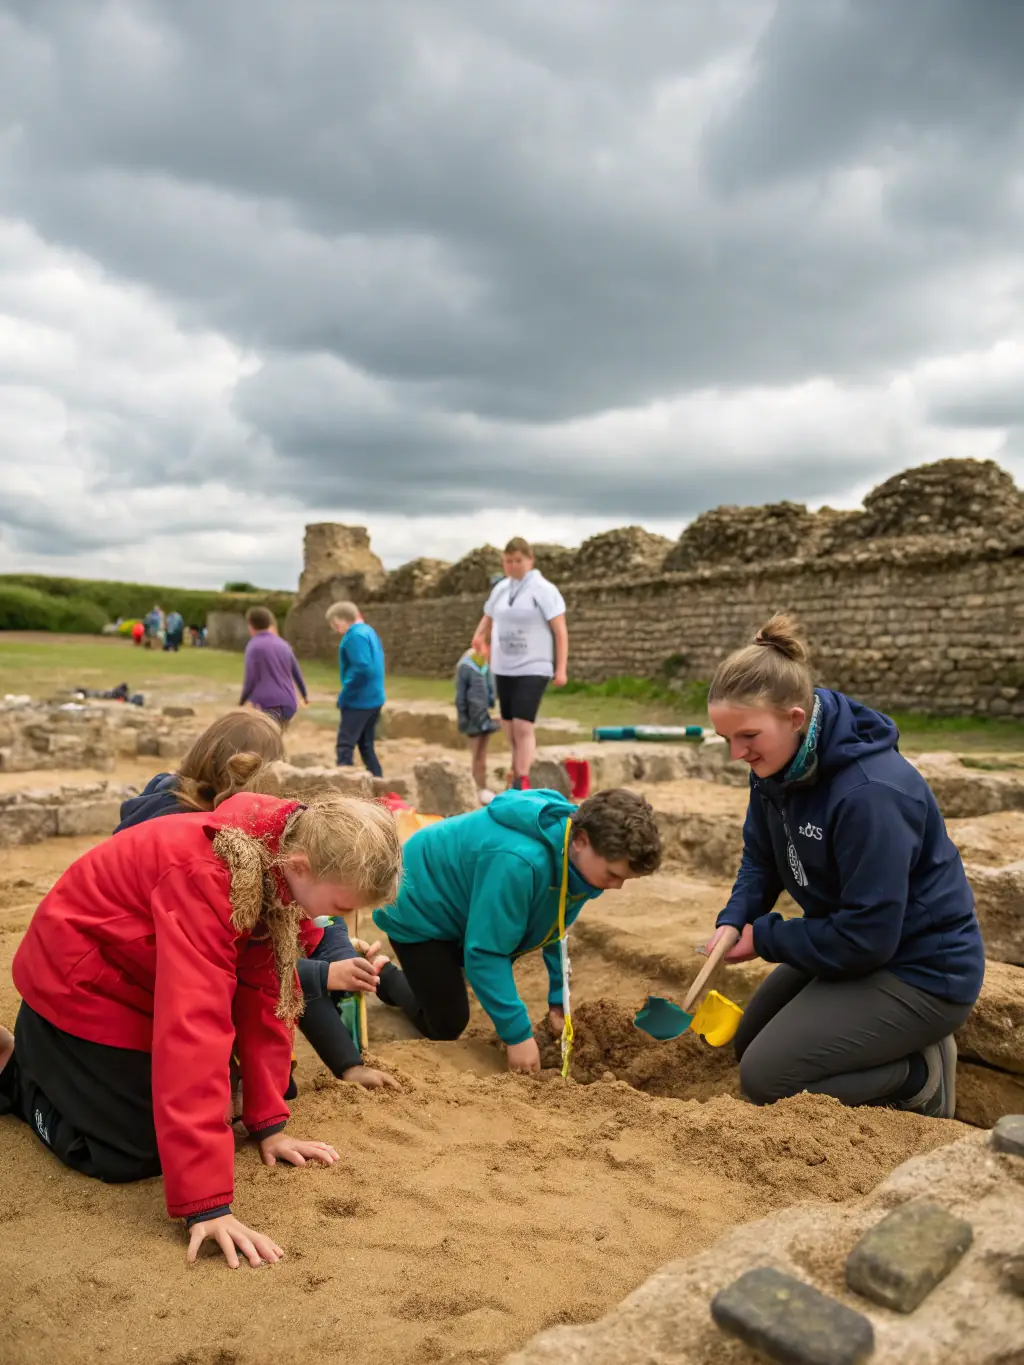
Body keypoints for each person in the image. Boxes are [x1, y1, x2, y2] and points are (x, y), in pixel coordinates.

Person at [0, 789, 402, 1268]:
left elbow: (267, 996)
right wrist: (209, 1205)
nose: (338, 920)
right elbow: (193, 1027)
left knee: (220, 1112)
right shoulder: (212, 876)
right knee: (134, 1154)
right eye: (338, 904)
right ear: (299, 866)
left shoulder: (274, 864)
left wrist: (268, 1123)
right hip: (80, 979)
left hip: (141, 976)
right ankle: (16, 1070)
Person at [704, 613, 984, 1119]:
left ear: (794, 717)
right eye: (726, 739)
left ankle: (920, 1077)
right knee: (749, 1043)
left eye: (746, 737)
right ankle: (892, 1047)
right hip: (858, 945)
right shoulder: (777, 763)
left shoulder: (870, 794)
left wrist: (766, 938)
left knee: (768, 1077)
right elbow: (761, 859)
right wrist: (735, 918)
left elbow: (868, 937)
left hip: (921, 969)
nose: (736, 754)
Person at [113, 709, 395, 1093]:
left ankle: (340, 1063)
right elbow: (229, 966)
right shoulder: (205, 847)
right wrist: (323, 974)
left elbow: (309, 918)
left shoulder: (261, 831)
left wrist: (340, 952)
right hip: (152, 983)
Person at [371, 787, 662, 1073]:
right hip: (417, 902)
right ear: (582, 841)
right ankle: (384, 976)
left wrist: (558, 998)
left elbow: (556, 924)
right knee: (447, 1023)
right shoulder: (520, 862)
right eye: (613, 874)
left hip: (466, 903)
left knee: (485, 952)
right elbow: (484, 953)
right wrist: (518, 1035)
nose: (616, 886)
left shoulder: (581, 865)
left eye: (624, 879)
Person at [472, 538, 568, 790]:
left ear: (529, 560)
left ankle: (521, 779)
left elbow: (560, 630)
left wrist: (561, 669)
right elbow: (489, 615)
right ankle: (516, 767)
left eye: (518, 560)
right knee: (508, 724)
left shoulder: (543, 590)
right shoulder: (502, 589)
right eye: (508, 561)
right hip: (504, 665)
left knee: (524, 724)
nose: (513, 566)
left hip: (534, 665)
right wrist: (479, 635)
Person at [327, 601, 385, 778]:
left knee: (345, 746)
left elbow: (363, 667)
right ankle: (379, 782)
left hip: (359, 700)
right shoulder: (367, 630)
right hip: (375, 698)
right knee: (366, 745)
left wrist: (345, 695)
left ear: (342, 620)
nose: (337, 630)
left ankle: (345, 789)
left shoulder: (354, 636)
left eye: (336, 625)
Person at [239, 607, 309, 729]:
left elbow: (250, 679)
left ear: (250, 626)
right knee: (276, 737)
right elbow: (296, 673)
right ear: (270, 624)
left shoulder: (254, 646)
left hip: (266, 703)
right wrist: (304, 695)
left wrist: (241, 701)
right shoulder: (283, 644)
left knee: (265, 740)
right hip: (289, 702)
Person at [455, 639, 500, 803]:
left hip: (485, 718)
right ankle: (475, 787)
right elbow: (460, 697)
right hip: (472, 720)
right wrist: (464, 719)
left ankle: (482, 785)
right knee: (476, 755)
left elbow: (490, 691)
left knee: (483, 755)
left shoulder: (485, 666)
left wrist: (492, 711)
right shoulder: (466, 666)